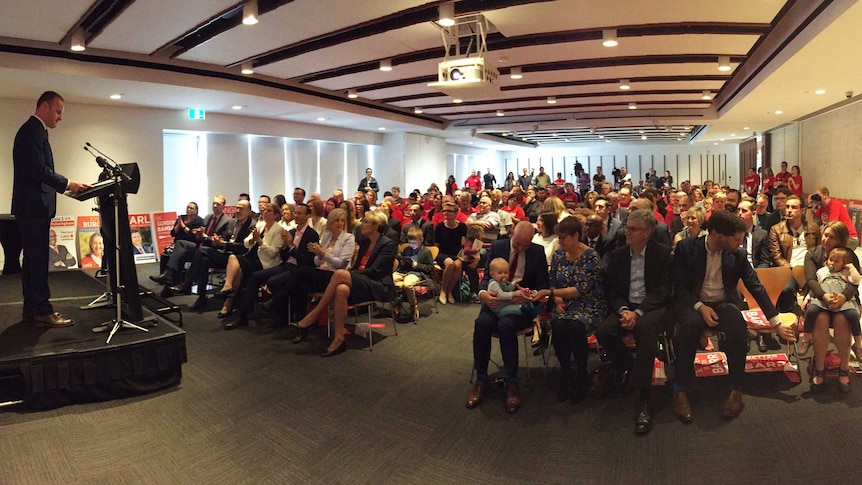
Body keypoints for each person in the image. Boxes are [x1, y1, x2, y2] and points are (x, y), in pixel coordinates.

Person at [671, 210, 796, 423]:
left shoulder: (736, 254)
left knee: (738, 326)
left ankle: (735, 389)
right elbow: (678, 287)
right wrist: (700, 306)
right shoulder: (687, 248)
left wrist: (776, 322)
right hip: (693, 303)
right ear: (719, 234)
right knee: (688, 328)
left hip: (723, 304)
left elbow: (755, 287)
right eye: (737, 239)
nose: (740, 243)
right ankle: (680, 390)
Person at [11, 91, 89, 326]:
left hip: (33, 208)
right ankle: (43, 311)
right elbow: (38, 170)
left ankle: (31, 310)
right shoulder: (31, 131)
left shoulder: (35, 131)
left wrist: (66, 188)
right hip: (33, 208)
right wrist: (68, 183)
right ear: (44, 107)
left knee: (32, 261)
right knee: (37, 260)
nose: (60, 117)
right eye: (58, 111)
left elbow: (39, 173)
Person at [596, 209, 671, 434]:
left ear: (647, 233)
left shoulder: (663, 254)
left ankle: (644, 398)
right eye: (626, 227)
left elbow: (663, 292)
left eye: (632, 229)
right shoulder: (618, 255)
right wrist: (624, 310)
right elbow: (612, 292)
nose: (625, 232)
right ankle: (627, 364)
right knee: (603, 331)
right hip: (626, 307)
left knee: (646, 329)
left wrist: (637, 313)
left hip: (652, 308)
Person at [466, 221, 549, 414]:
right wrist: (483, 294)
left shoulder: (537, 252)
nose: (521, 248)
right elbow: (486, 277)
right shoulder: (498, 246)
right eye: (518, 243)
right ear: (512, 233)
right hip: (495, 301)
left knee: (505, 325)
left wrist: (528, 295)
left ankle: (513, 383)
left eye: (525, 245)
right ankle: (481, 378)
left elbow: (543, 284)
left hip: (519, 305)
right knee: (482, 323)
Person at [295, 210, 396, 357]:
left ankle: (313, 316)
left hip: (378, 285)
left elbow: (375, 270)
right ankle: (339, 338)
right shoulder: (365, 240)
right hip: (360, 282)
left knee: (340, 274)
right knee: (341, 289)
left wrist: (351, 275)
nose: (362, 224)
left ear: (376, 226)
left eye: (366, 222)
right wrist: (351, 274)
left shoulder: (388, 244)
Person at [532, 216, 606, 404]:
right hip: (565, 302)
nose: (559, 241)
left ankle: (582, 374)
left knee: (574, 327)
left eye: (563, 237)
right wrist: (556, 299)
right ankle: (566, 373)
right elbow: (553, 281)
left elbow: (580, 289)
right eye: (558, 237)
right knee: (558, 326)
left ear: (576, 236)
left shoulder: (590, 256)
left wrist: (551, 292)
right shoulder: (558, 255)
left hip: (589, 303)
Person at [804, 222, 861, 392]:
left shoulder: (849, 256)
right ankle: (819, 369)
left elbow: (854, 283)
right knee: (821, 318)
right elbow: (811, 280)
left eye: (832, 237)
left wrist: (843, 297)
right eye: (825, 235)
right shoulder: (813, 254)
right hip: (819, 296)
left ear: (841, 239)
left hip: (844, 298)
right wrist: (824, 295)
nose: (826, 239)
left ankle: (844, 369)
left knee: (842, 319)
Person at [171, 199, 256, 311]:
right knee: (204, 259)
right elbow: (222, 240)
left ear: (249, 211)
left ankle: (188, 282)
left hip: (238, 258)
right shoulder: (232, 223)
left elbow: (243, 247)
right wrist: (211, 239)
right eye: (237, 208)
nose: (238, 210)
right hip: (225, 254)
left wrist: (224, 244)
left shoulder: (251, 225)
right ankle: (201, 296)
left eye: (241, 208)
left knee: (202, 251)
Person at [215, 203, 284, 319]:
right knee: (236, 267)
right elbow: (246, 243)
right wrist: (253, 239)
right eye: (265, 210)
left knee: (234, 259)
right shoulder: (261, 225)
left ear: (276, 215)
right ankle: (229, 300)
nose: (265, 213)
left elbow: (272, 253)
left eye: (269, 211)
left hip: (265, 263)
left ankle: (228, 293)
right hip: (252, 257)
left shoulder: (279, 230)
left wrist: (260, 241)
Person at [768, 195, 820, 312]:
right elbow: (776, 256)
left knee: (817, 289)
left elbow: (819, 251)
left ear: (802, 210)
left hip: (809, 268)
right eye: (787, 207)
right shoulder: (776, 229)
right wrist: (790, 269)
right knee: (786, 289)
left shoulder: (813, 228)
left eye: (794, 207)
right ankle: (787, 317)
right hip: (788, 269)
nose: (789, 210)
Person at [393, 227, 434, 322]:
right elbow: (402, 259)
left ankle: (413, 306)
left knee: (407, 285)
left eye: (414, 243)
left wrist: (417, 265)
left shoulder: (425, 252)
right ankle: (396, 302)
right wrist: (402, 262)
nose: (412, 245)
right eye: (410, 242)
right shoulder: (407, 249)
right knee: (389, 280)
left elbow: (430, 268)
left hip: (417, 273)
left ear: (421, 240)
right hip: (404, 271)